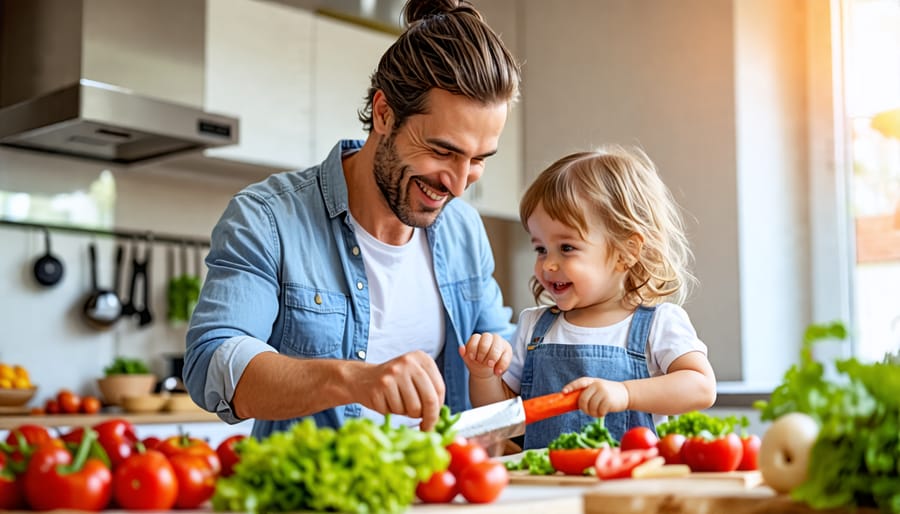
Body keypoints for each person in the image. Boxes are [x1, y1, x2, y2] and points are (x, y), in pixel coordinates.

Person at [183, 0, 520, 439]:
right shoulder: (268, 218)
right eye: (442, 151)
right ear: (384, 113)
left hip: (436, 498)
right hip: (315, 499)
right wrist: (353, 380)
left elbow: (505, 376)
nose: (458, 185)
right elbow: (212, 361)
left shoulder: (463, 231)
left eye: (478, 160)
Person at [461, 146, 717, 449]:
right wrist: (483, 376)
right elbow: (499, 420)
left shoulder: (657, 323)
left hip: (628, 488)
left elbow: (701, 386)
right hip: (547, 489)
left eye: (566, 248)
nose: (549, 264)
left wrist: (625, 394)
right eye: (541, 249)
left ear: (627, 252)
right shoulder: (534, 326)